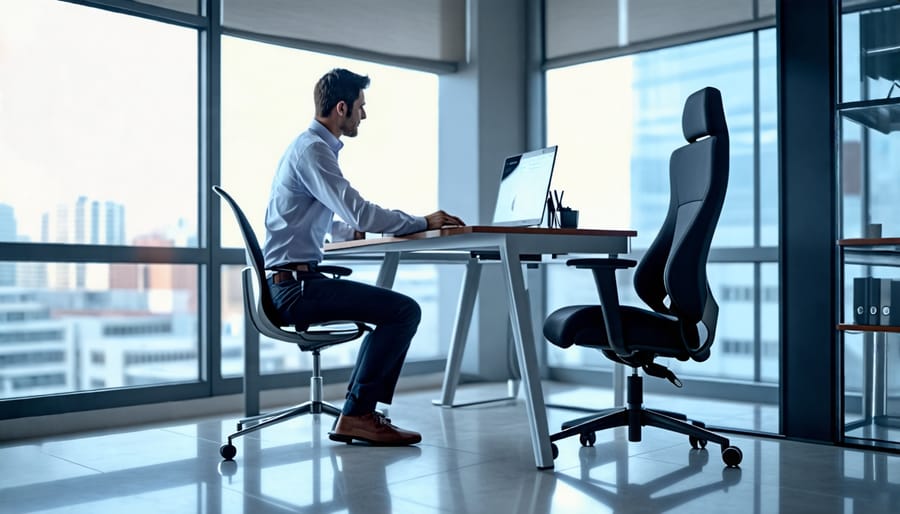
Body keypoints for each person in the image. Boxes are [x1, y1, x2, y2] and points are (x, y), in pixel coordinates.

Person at [263, 68, 465, 446]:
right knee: (404, 311)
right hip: (294, 289)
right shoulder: (314, 149)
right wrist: (423, 220)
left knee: (391, 311)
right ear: (342, 108)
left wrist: (347, 232)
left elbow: (316, 219)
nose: (364, 115)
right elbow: (360, 211)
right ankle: (357, 415)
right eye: (361, 106)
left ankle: (357, 412)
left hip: (293, 280)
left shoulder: (307, 148)